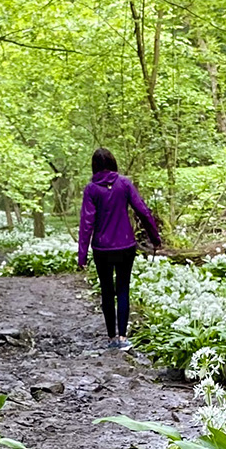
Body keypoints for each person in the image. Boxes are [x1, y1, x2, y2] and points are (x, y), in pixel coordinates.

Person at [75, 147, 160, 349]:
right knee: (123, 289)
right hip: (125, 245)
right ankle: (123, 337)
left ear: (94, 166)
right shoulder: (124, 183)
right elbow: (142, 210)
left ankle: (111, 338)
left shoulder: (91, 189)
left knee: (106, 291)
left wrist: (82, 255)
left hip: (102, 248)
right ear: (113, 163)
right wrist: (154, 237)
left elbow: (86, 223)